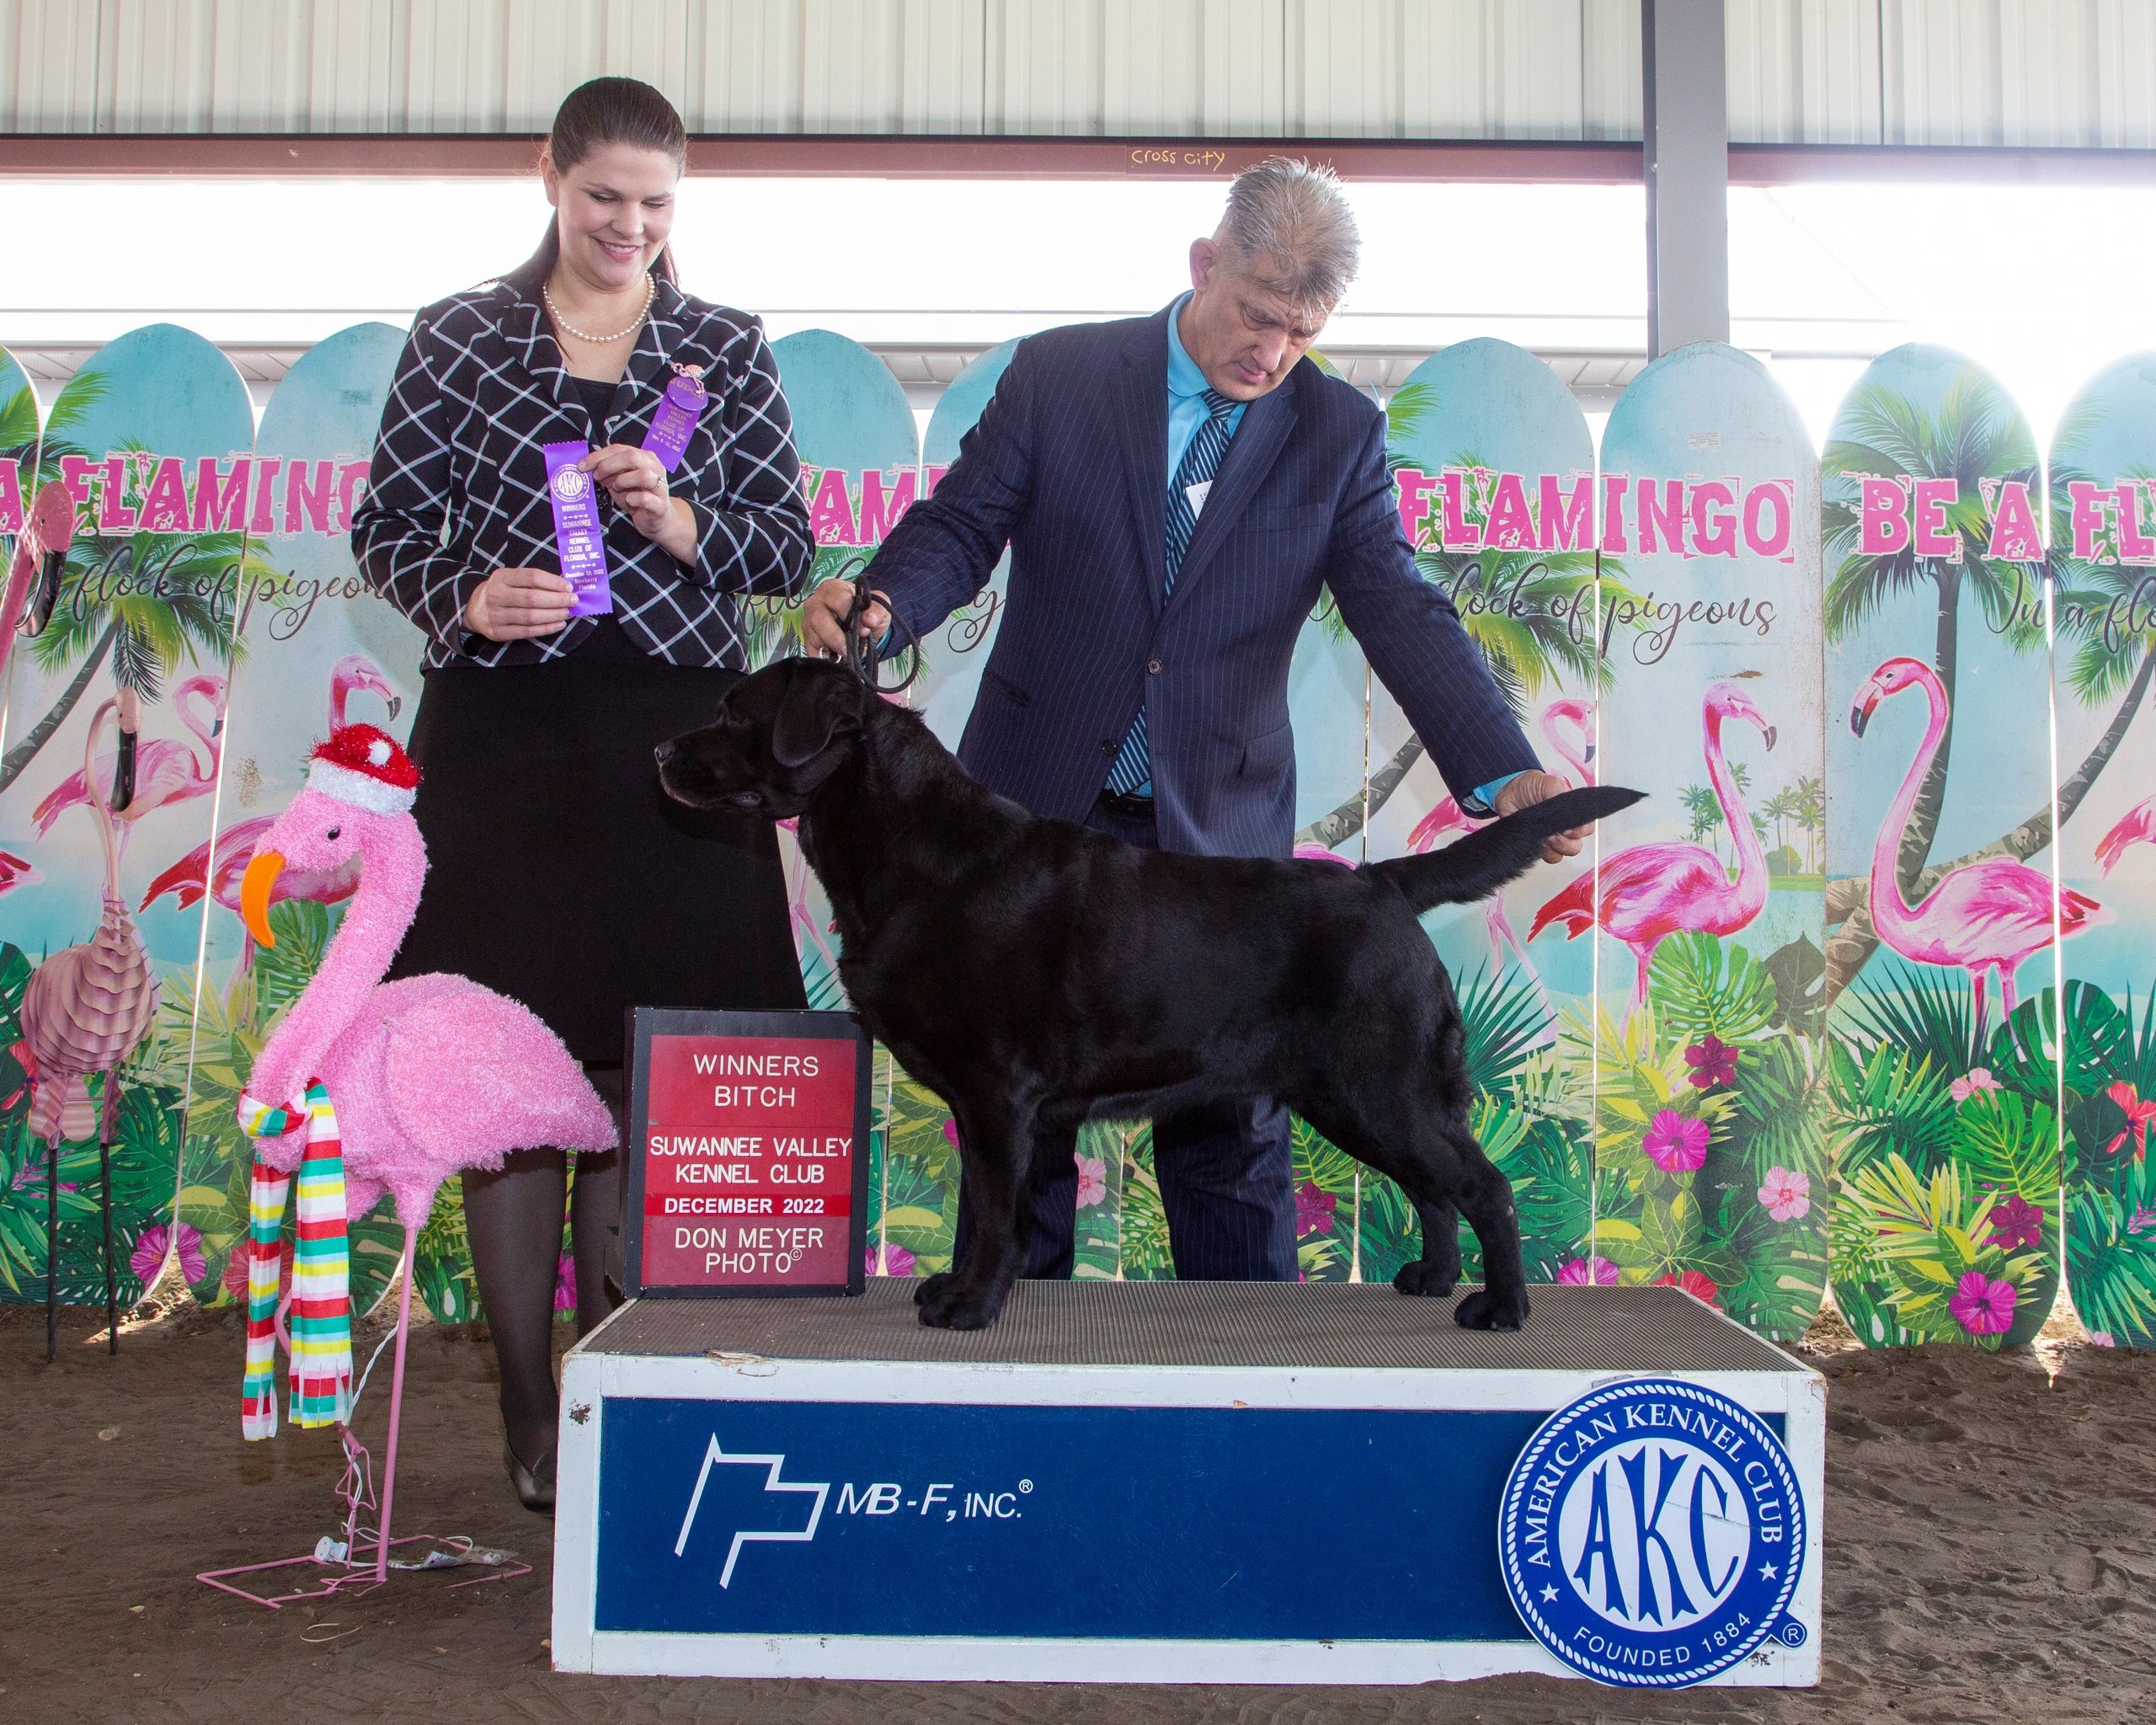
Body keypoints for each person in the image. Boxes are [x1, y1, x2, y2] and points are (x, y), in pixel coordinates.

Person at [803, 157, 1584, 1286]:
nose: (1271, 352)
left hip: (1215, 835)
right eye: (1258, 315)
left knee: (1233, 1136)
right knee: (1021, 1119)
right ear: (1203, 264)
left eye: (1301, 334)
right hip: (1032, 817)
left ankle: (1246, 1372)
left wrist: (1506, 775)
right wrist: (881, 601)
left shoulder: (1338, 434)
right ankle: (1017, 1353)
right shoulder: (1062, 376)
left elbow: (1400, 610)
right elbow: (963, 525)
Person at [353, 77, 813, 1510]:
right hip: (504, 739)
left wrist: (682, 520)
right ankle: (526, 1409)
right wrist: (465, 597)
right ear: (548, 177)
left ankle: (613, 1387)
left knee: (643, 1068)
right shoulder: (459, 334)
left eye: (657, 204)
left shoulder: (724, 349)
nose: (629, 226)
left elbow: (787, 543)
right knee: (508, 1078)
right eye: (604, 195)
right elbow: (384, 524)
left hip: (681, 748)